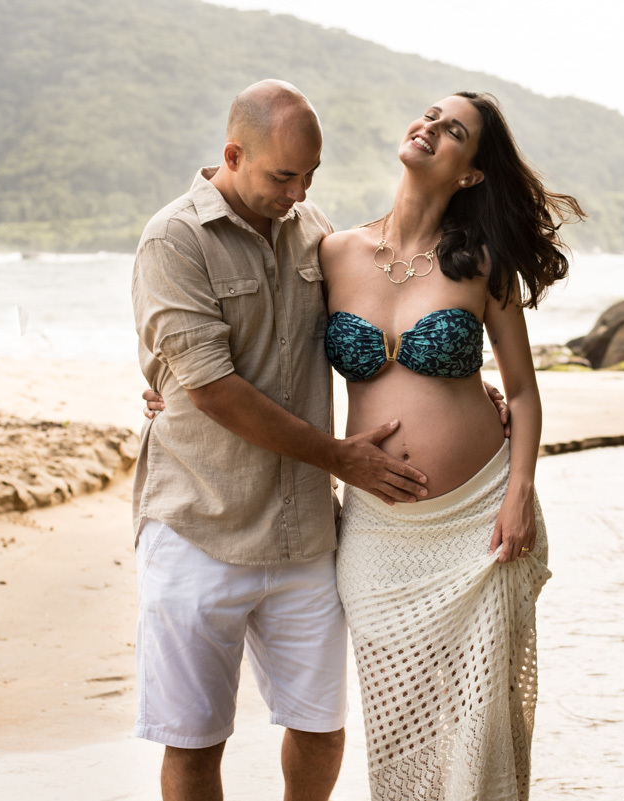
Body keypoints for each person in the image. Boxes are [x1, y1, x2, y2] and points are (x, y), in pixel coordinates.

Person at [130, 79, 511, 801]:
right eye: (283, 176)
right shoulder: (174, 238)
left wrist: (465, 383)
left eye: (311, 175)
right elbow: (211, 385)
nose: (298, 190)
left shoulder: (316, 234)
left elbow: (385, 327)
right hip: (198, 523)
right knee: (194, 739)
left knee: (319, 726)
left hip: (305, 532)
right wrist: (337, 454)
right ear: (233, 154)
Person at [321, 92, 583, 799]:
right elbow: (269, 344)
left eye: (453, 130)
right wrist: (172, 386)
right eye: (429, 115)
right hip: (375, 533)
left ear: (470, 174)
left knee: (480, 718)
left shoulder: (482, 266)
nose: (430, 128)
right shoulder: (333, 252)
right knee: (398, 721)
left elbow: (523, 394)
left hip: (480, 522)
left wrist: (519, 493)